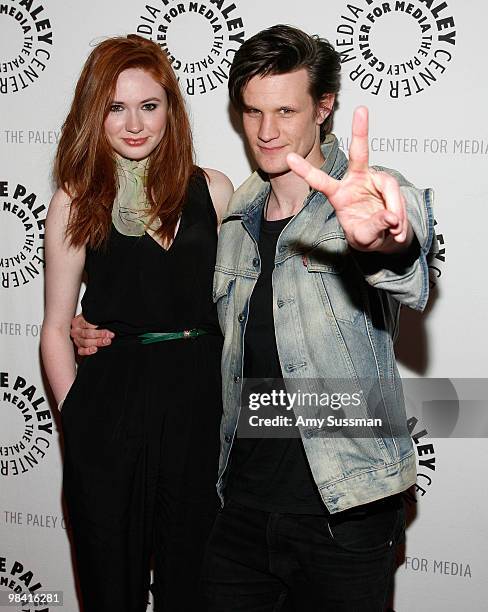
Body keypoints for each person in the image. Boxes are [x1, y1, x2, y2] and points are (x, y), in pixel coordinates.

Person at [72, 25, 435, 612]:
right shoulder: (232, 214)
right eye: (253, 111)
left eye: (286, 110)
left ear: (324, 107)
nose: (267, 131)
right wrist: (87, 326)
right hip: (235, 511)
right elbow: (182, 312)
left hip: (342, 511)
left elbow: (408, 265)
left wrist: (384, 240)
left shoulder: (367, 197)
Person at [40, 34, 233, 612]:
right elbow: (54, 325)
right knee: (109, 583)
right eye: (115, 107)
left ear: (171, 108)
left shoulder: (214, 190)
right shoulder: (76, 200)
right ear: (93, 114)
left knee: (192, 582)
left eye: (149, 105)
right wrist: (76, 413)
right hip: (109, 408)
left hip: (198, 407)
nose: (134, 124)